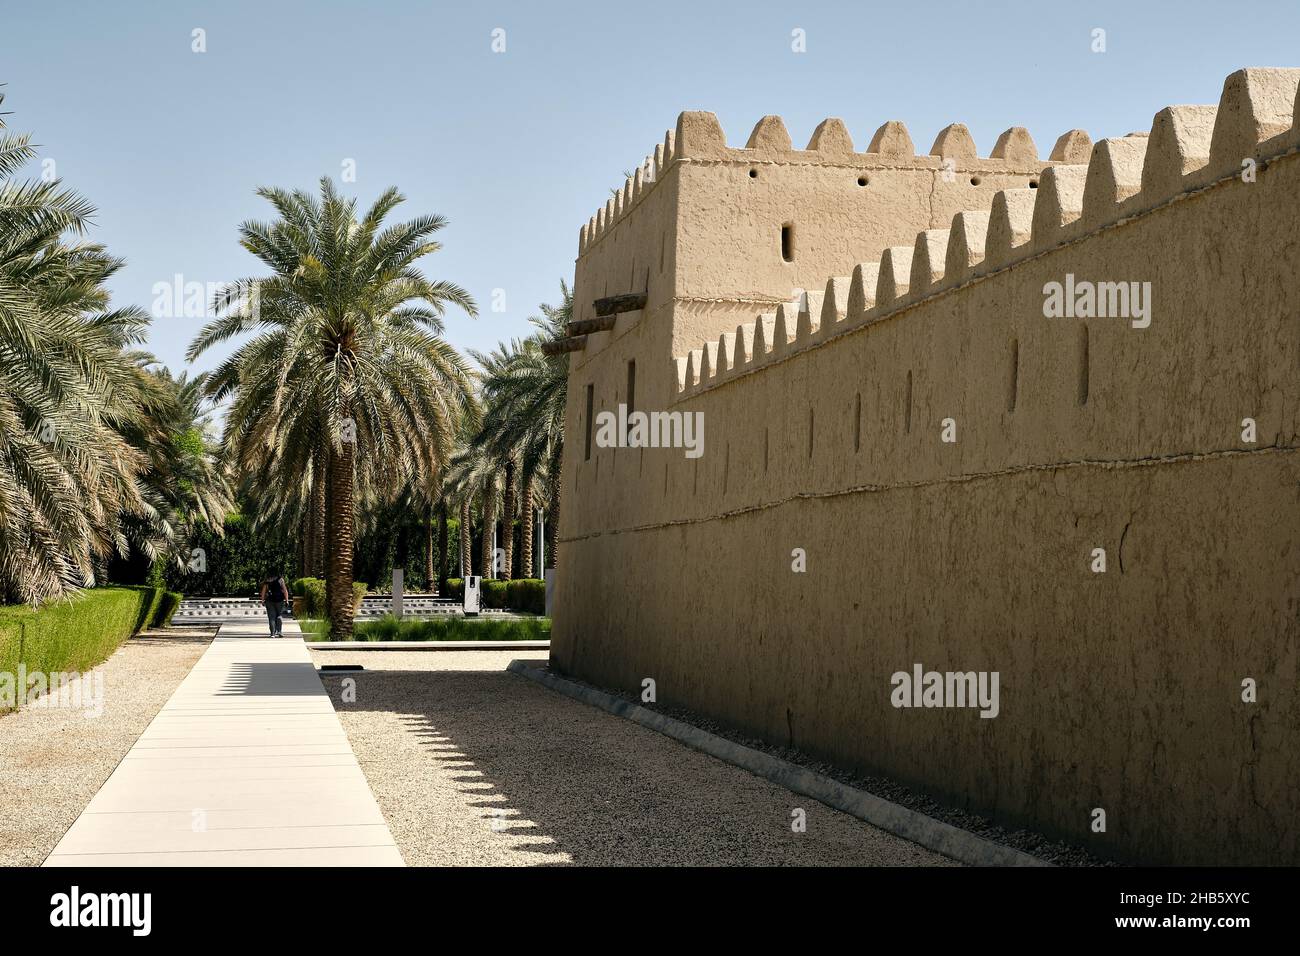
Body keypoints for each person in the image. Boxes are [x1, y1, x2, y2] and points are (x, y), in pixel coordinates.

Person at [260, 571, 289, 637]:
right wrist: (287, 600)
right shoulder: (280, 579)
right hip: (280, 600)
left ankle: (272, 633)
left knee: (271, 617)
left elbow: (263, 591)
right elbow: (285, 590)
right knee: (279, 615)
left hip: (269, 601)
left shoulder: (267, 580)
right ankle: (279, 631)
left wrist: (262, 600)